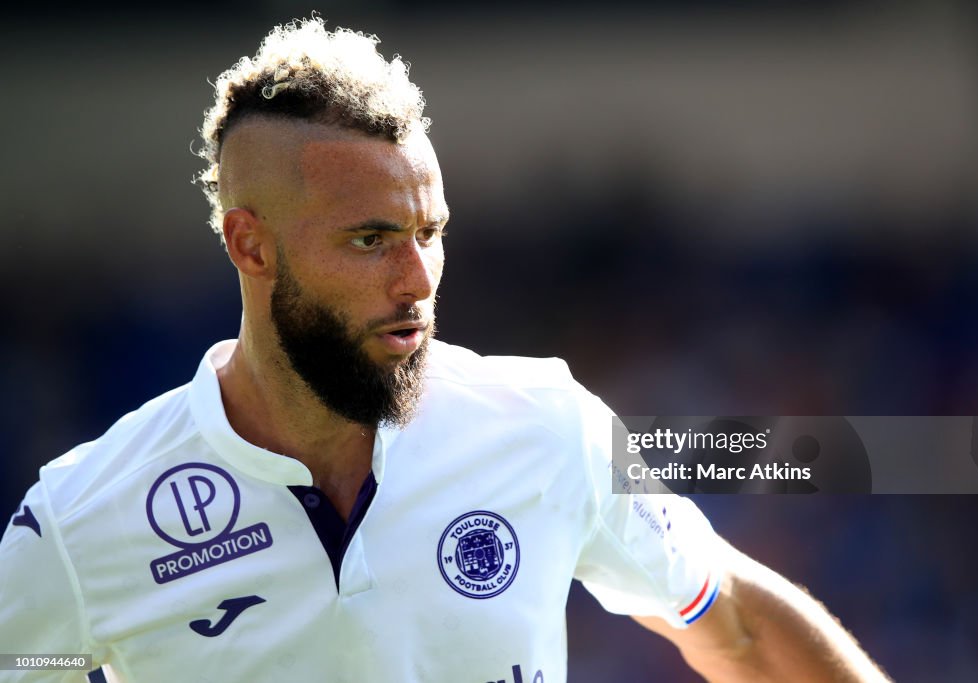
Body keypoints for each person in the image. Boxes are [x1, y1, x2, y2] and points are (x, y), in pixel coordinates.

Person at [0, 17, 889, 683]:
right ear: (251, 245)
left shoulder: (548, 424)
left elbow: (729, 620)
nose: (418, 276)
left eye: (432, 232)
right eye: (370, 238)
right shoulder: (79, 522)